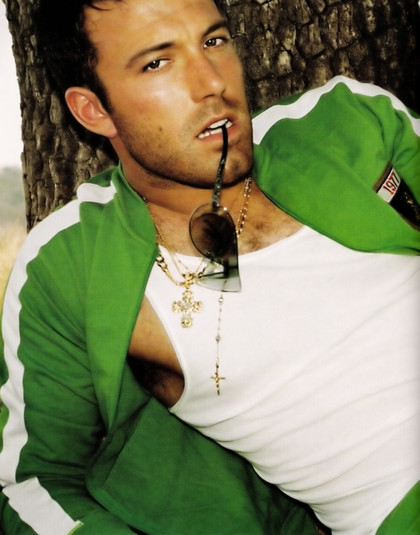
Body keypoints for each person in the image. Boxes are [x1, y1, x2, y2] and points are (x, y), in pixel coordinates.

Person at [0, 0, 419, 534]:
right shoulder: (73, 264)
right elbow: (32, 483)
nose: (212, 83)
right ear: (93, 110)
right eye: (157, 63)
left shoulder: (346, 120)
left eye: (214, 41)